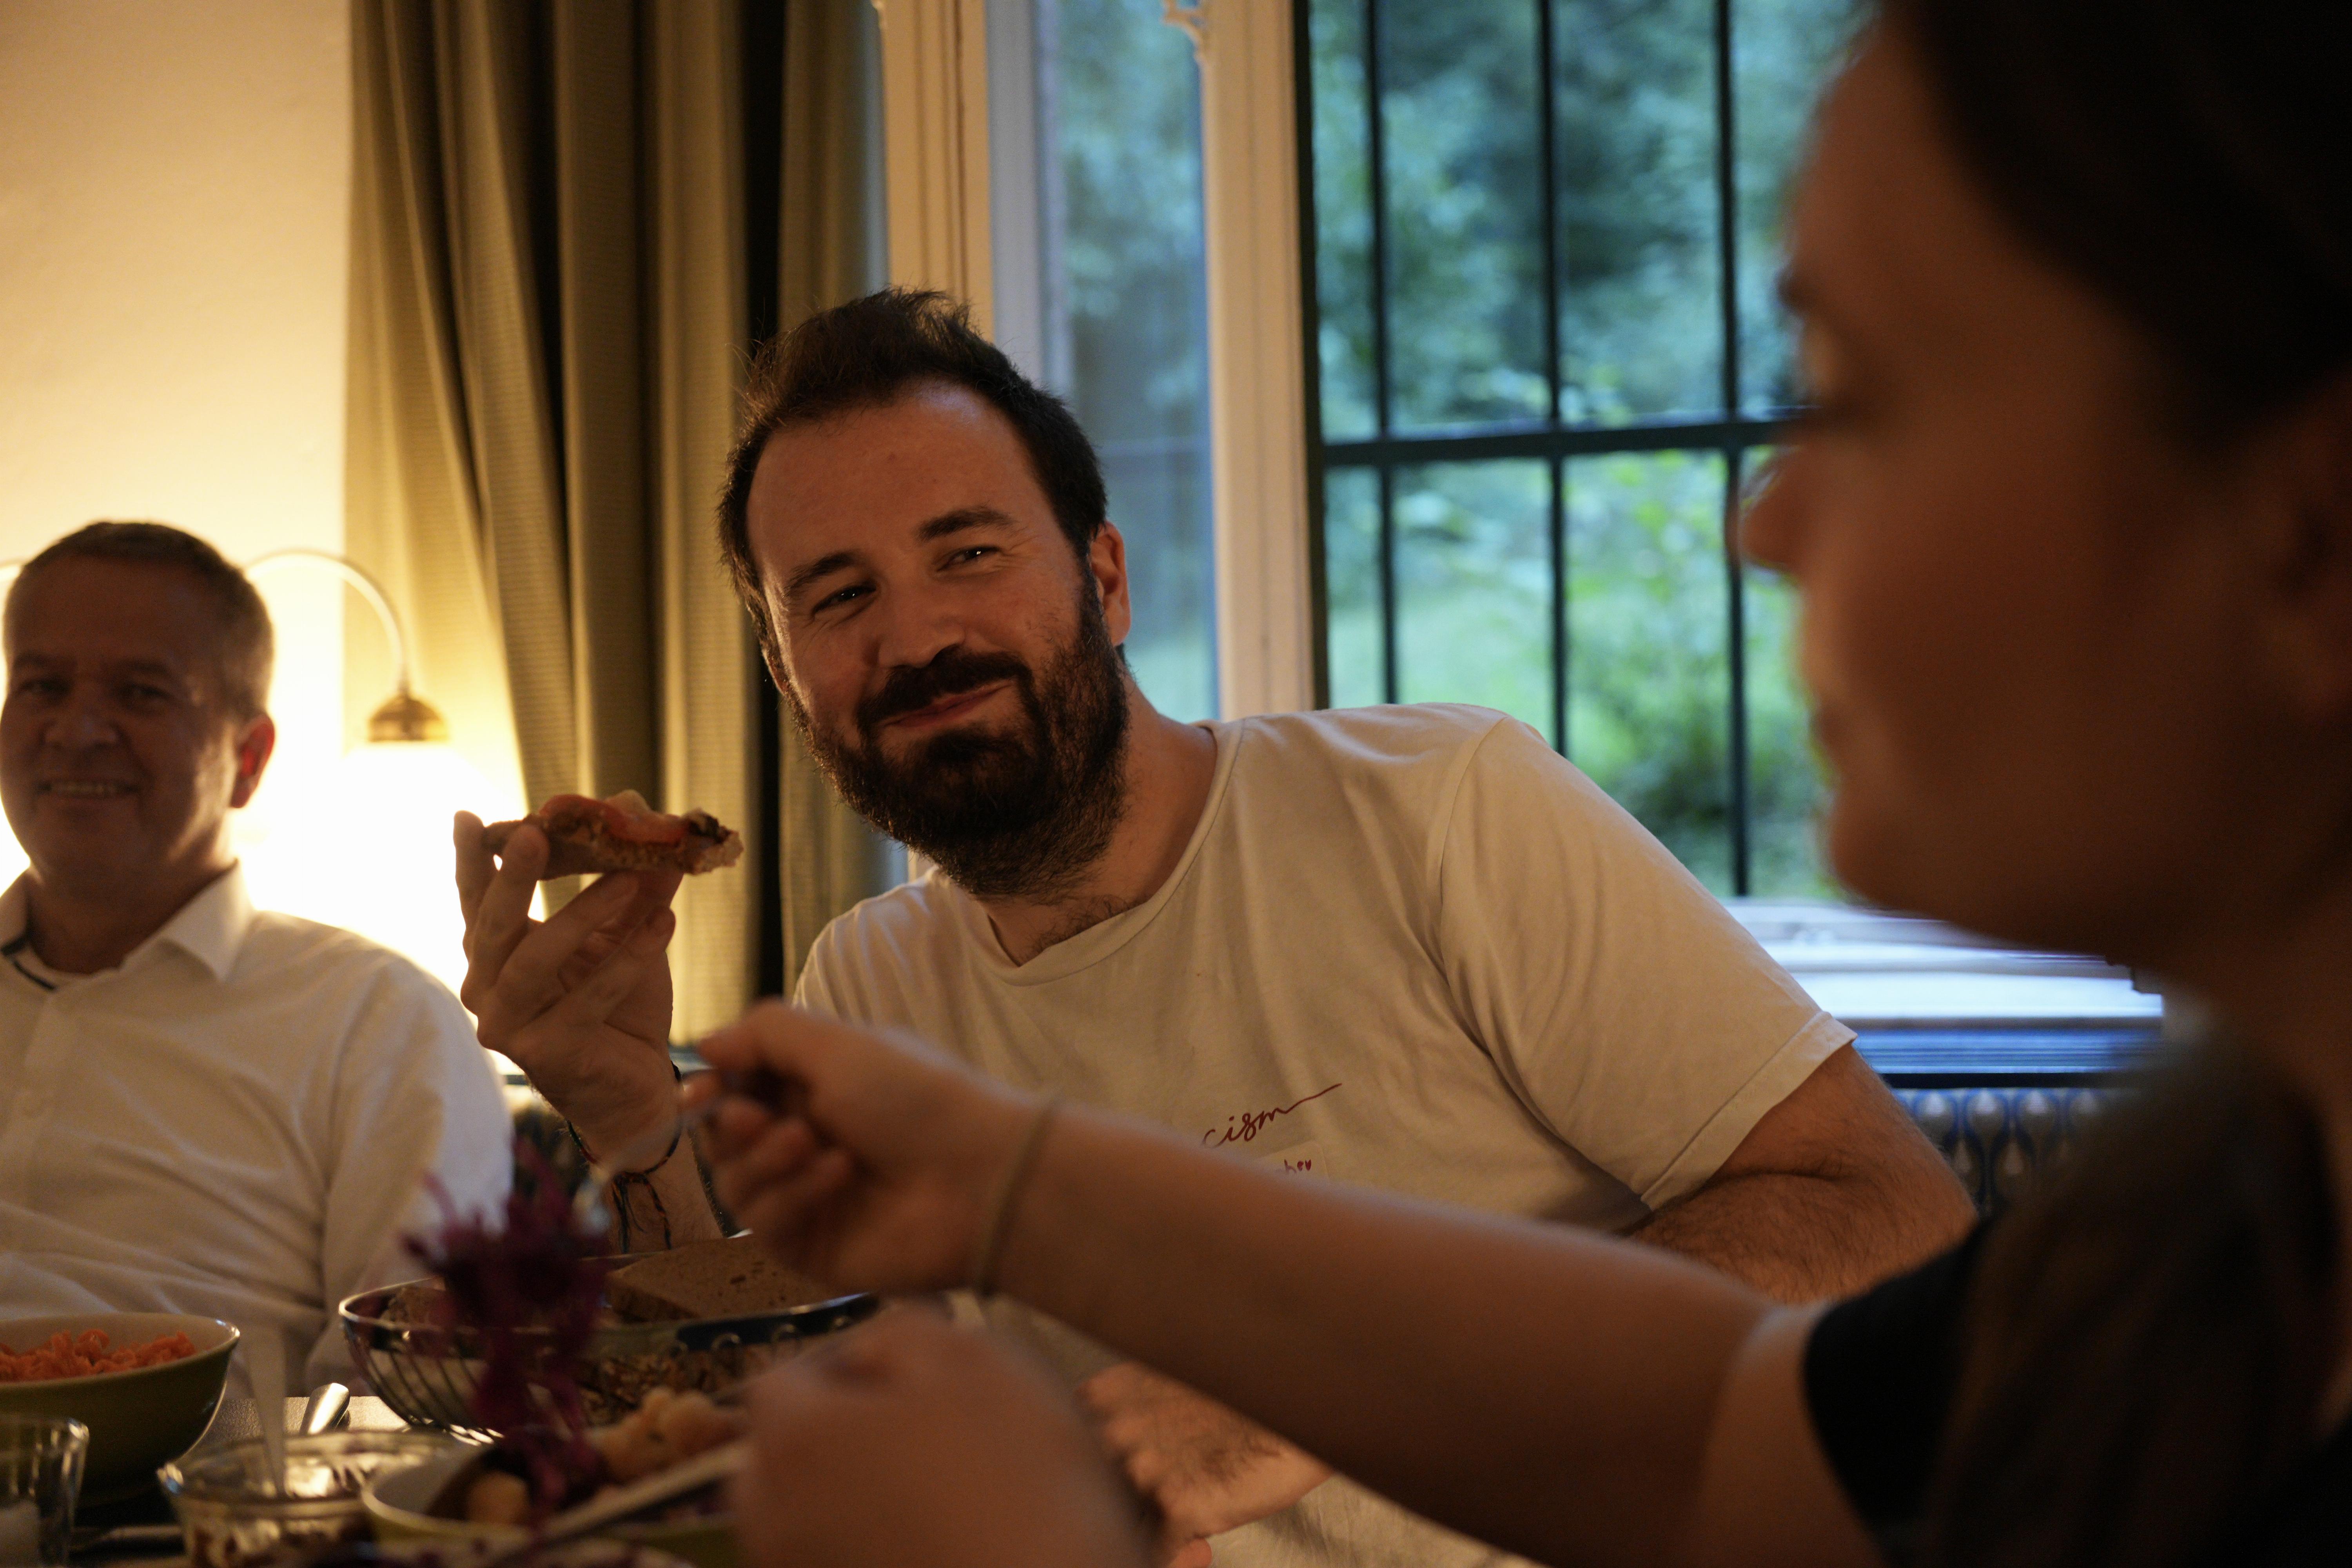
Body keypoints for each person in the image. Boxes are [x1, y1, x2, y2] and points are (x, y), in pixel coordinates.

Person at [693, 0, 2352, 1564]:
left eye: (1863, 395)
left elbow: (1838, 1258)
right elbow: (1714, 1432)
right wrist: (998, 1183)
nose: (1762, 522)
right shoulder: (2210, 1236)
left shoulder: (1434, 803)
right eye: (838, 595)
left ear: (2308, 528)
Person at [460, 296, 1971, 1559]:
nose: (916, 636)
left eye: (969, 552)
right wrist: (628, 1115)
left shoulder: (1444, 808)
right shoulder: (867, 984)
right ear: (791, 677)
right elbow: (748, 1438)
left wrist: (1310, 1394)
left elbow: (1889, 1216)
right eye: (839, 596)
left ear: (1105, 579)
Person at [0, 523, 512, 1397]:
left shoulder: (379, 1020)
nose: (76, 730)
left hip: (190, 1481)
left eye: (140, 693)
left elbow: (411, 1387)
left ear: (249, 757)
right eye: (42, 685)